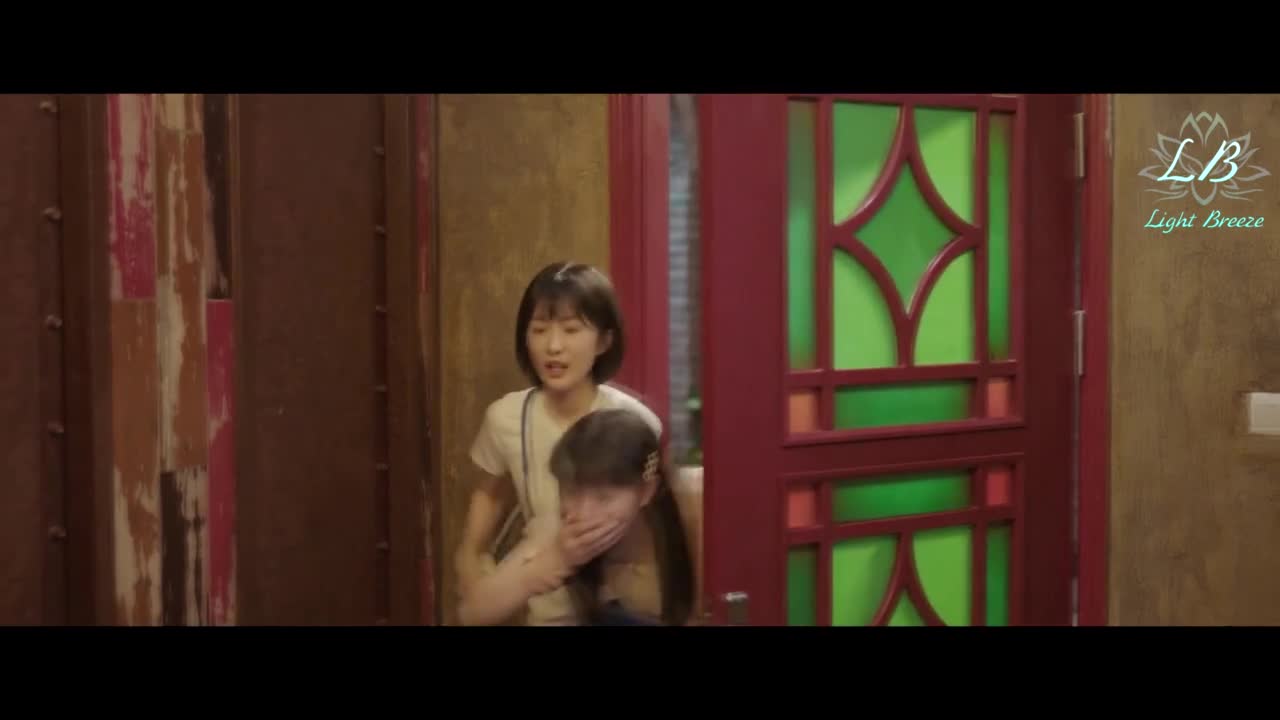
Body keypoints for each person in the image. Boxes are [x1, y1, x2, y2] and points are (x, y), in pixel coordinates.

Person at [454, 261, 663, 626]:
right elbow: (488, 499)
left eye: (571, 330)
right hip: (545, 607)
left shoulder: (634, 421)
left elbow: (657, 530)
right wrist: (472, 562)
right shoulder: (506, 418)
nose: (553, 346)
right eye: (539, 330)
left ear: (604, 341)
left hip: (622, 605)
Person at [457, 408, 694, 626]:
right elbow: (472, 612)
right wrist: (550, 563)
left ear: (646, 491)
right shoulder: (560, 531)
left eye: (603, 498)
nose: (583, 514)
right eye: (571, 492)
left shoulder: (690, 521)